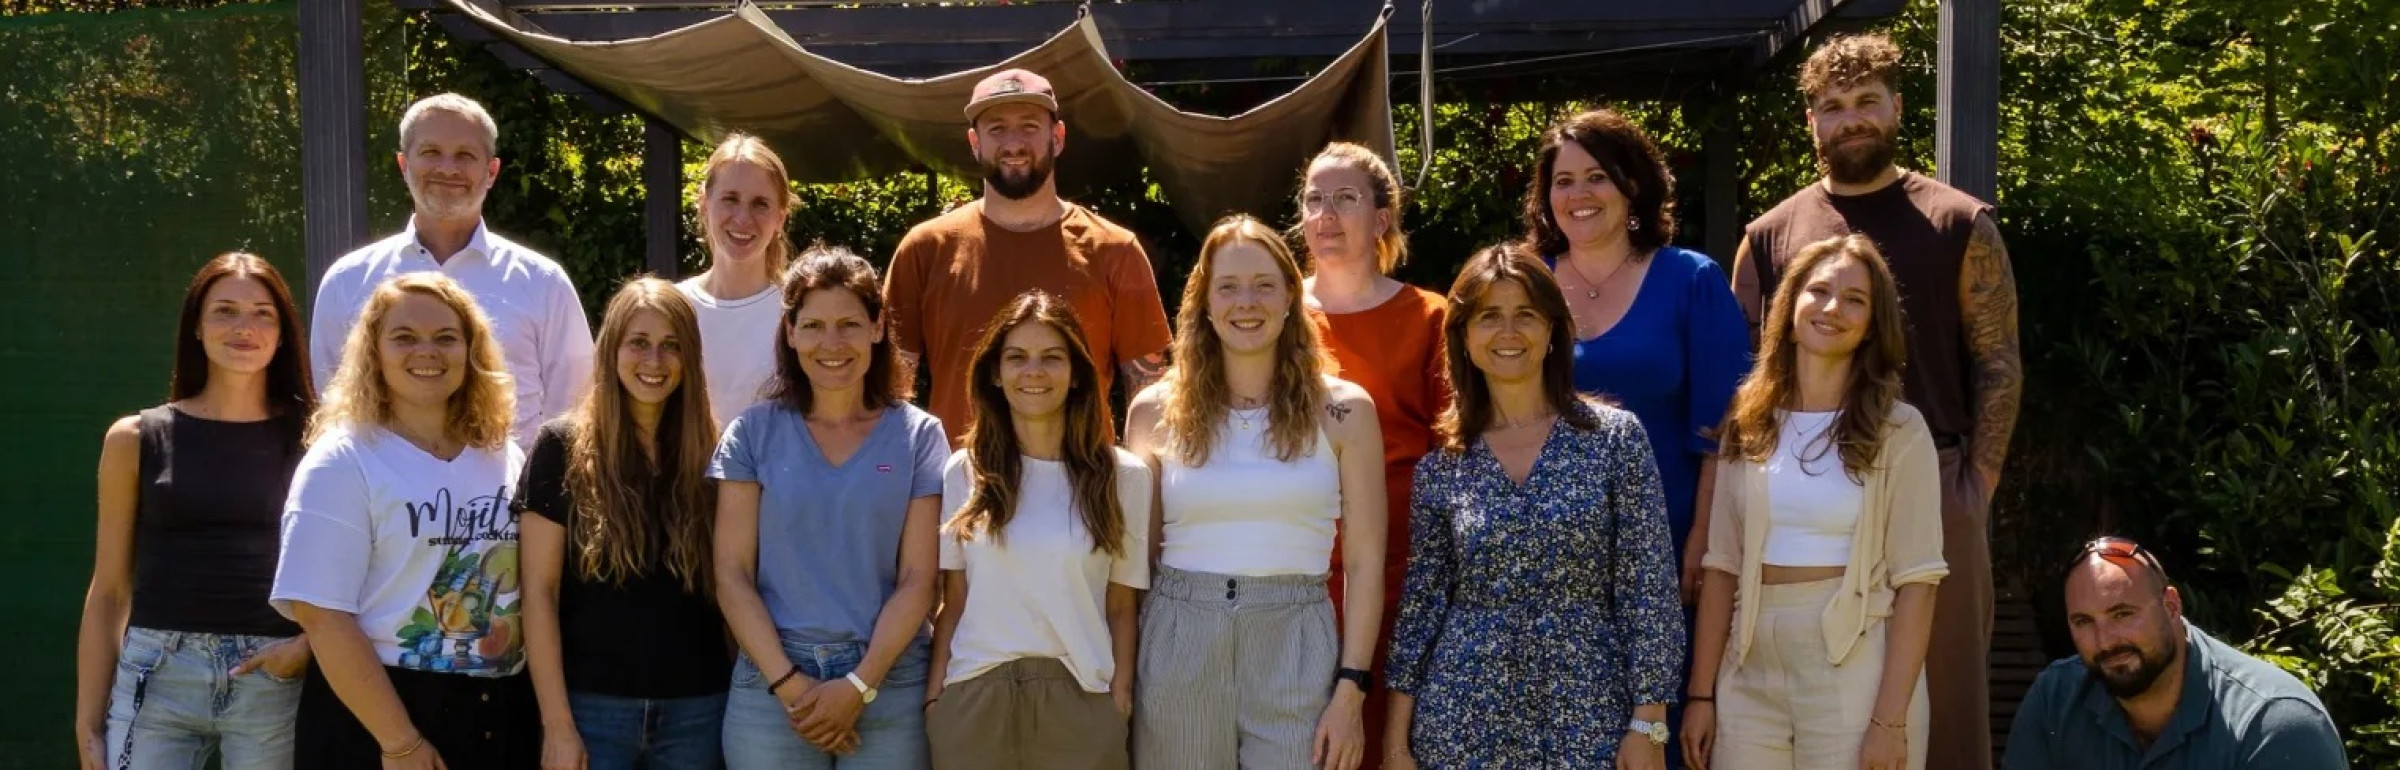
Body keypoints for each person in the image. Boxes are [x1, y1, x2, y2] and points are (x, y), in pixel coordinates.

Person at [1732, 33, 2022, 767]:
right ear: (1812, 123)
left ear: (1896, 107)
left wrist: (1974, 490)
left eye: (1867, 101)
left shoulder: (1958, 222)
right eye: (1833, 106)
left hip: (1932, 483)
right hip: (1801, 496)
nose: (1851, 118)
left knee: (1946, 702)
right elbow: (1749, 372)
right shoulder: (1769, 235)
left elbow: (1999, 363)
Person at [1385, 244, 1683, 769]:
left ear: (1552, 331)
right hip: (1461, 718)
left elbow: (1648, 589)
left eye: (1525, 314)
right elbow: (1421, 612)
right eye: (1489, 316)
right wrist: (1395, 744)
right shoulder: (1443, 467)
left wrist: (1650, 724)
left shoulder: (1614, 441)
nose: (1508, 332)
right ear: (1464, 337)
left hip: (1589, 711)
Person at [1126, 215, 1387, 770]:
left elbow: (1365, 562)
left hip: (1296, 637)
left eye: (1264, 285)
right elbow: (1137, 563)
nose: (1247, 302)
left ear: (1292, 296)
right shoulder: (1153, 411)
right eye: (1228, 286)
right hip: (1180, 639)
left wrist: (1351, 688)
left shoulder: (1344, 411)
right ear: (1204, 301)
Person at [1681, 235, 1945, 770]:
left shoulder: (1900, 430)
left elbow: (1918, 582)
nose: (1832, 308)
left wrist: (1889, 722)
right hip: (1748, 660)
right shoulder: (1748, 418)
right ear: (1790, 305)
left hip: (1854, 661)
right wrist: (1701, 694)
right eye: (1819, 290)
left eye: (1855, 299)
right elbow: (1722, 565)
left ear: (1873, 324)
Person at [271, 272, 536, 768]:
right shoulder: (343, 459)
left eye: (446, 337)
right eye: (405, 337)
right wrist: (399, 741)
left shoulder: (502, 455)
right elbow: (321, 615)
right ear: (374, 351)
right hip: (380, 714)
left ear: (471, 350)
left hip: (500, 710)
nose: (427, 351)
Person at [75, 253, 315, 770]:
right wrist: (88, 721)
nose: (244, 328)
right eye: (224, 311)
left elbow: (358, 568)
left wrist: (305, 648)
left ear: (282, 333)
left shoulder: (320, 440)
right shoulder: (134, 438)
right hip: (156, 674)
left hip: (272, 678)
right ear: (197, 329)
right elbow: (109, 589)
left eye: (262, 314)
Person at [712, 246, 947, 769]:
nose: (832, 344)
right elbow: (731, 574)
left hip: (890, 680)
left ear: (878, 328)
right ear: (790, 333)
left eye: (849, 325)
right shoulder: (751, 433)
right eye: (814, 326)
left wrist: (859, 685)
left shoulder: (920, 437)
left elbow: (919, 579)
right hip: (772, 686)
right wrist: (791, 686)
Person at [1523, 109, 1749, 605]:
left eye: (1597, 176)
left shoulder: (1692, 280)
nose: (1579, 194)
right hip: (1543, 553)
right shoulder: (1524, 284)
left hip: (1667, 546)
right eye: (1564, 181)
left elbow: (1726, 431)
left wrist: (1704, 539)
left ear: (1633, 185)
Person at [882, 68, 1173, 446]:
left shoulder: (1115, 250)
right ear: (974, 142)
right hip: (960, 475)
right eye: (997, 128)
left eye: (1029, 126)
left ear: (1058, 137)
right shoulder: (925, 249)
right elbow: (889, 390)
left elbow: (1150, 393)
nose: (1014, 143)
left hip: (1083, 477)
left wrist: (1142, 476)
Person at [925, 290, 1149, 769]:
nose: (1034, 372)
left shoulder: (1124, 477)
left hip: (1081, 699)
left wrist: (1119, 698)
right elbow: (954, 599)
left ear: (1076, 373)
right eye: (1017, 358)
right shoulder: (964, 470)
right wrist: (935, 699)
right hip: (973, 697)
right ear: (994, 372)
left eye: (1051, 357)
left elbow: (1122, 606)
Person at [515, 278, 731, 769]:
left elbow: (730, 588)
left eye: (671, 345)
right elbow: (538, 593)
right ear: (611, 349)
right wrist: (557, 725)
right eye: (639, 342)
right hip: (592, 710)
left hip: (699, 710)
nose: (654, 360)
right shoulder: (559, 449)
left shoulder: (714, 455)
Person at [310, 92, 595, 451]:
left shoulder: (544, 284)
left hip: (510, 485)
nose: (448, 168)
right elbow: (337, 408)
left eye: (465, 155)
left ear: (491, 172)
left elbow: (574, 412)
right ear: (403, 164)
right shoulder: (347, 281)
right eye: (431, 152)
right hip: (379, 485)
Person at [1294, 141, 1450, 770]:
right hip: (1292, 569)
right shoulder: (1271, 310)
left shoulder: (1430, 316)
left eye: (1345, 199)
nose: (1325, 214)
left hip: (1399, 572)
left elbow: (1456, 451)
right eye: (1313, 200)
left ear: (1382, 218)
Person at [2003, 538, 2348, 769]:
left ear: (2170, 606)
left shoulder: (2274, 724)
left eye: (2122, 614)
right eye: (2083, 622)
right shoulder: (2055, 701)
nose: (2106, 641)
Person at [677, 133, 797, 425]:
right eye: (730, 199)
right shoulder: (673, 306)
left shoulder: (799, 311)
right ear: (704, 204)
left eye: (760, 204)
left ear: (780, 218)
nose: (743, 219)